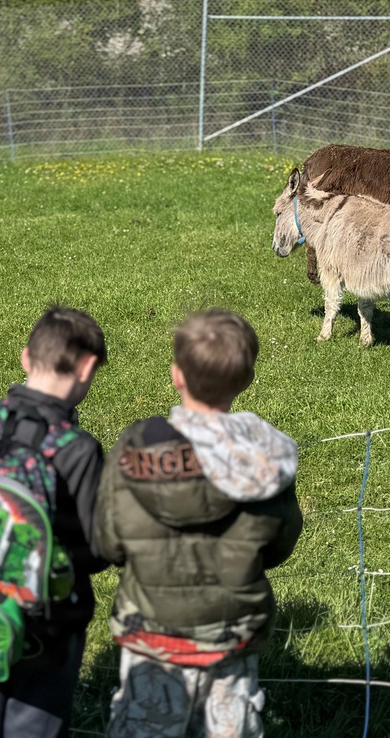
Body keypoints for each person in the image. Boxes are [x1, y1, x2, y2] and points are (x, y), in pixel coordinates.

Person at [94, 308, 304, 738]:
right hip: (229, 637)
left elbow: (107, 541)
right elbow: (280, 544)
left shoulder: (134, 452)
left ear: (176, 375)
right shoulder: (265, 463)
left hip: (151, 636)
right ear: (246, 380)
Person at [0, 305, 108, 738]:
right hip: (44, 627)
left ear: (25, 357)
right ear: (87, 368)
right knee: (34, 725)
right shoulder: (77, 448)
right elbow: (96, 549)